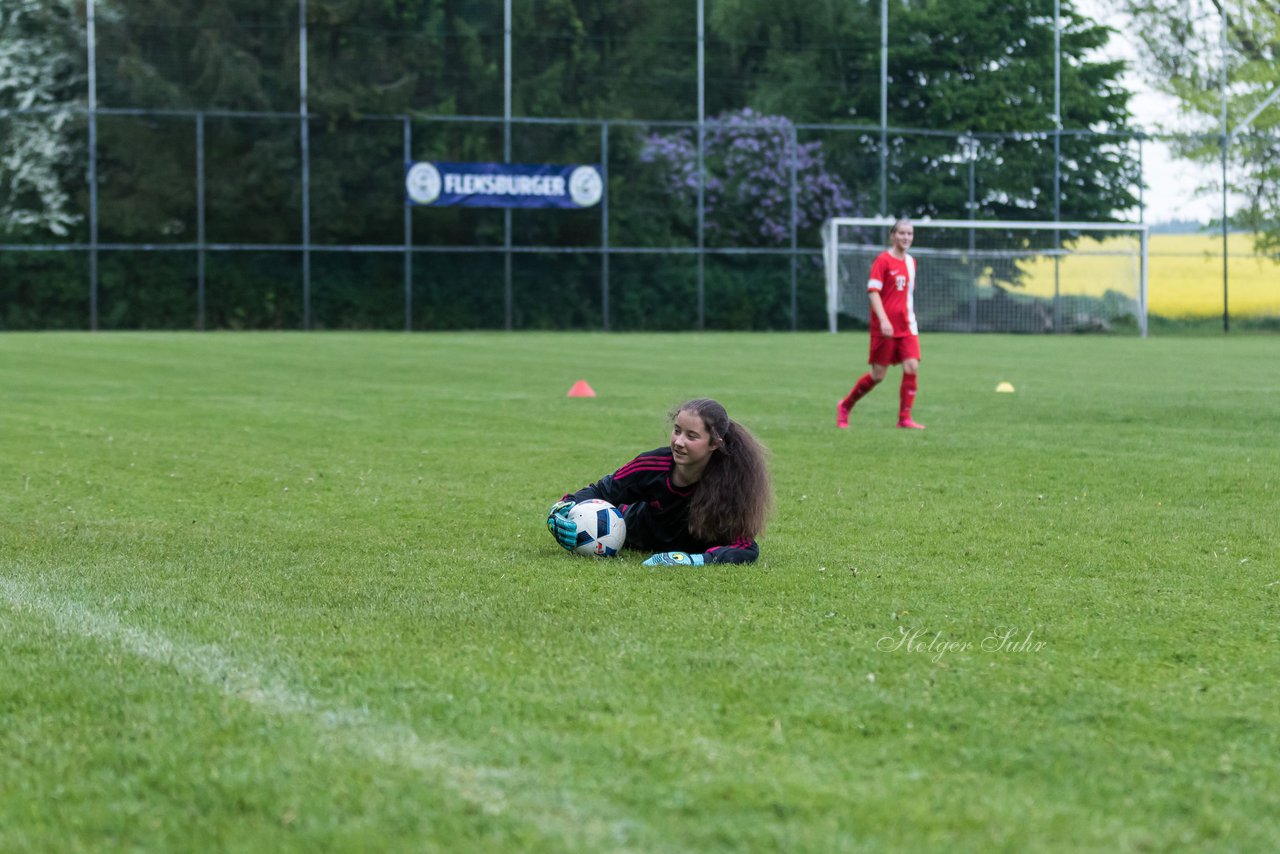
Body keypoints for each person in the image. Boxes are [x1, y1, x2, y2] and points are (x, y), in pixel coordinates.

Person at [547, 398, 772, 565]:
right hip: (632, 532)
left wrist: (695, 560)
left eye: (691, 436)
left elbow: (746, 547)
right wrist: (560, 510)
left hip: (689, 548)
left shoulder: (729, 484)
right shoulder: (653, 464)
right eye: (677, 431)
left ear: (714, 443)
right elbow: (602, 491)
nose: (679, 442)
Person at [837, 217, 925, 430]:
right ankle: (845, 406)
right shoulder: (882, 261)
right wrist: (884, 320)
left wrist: (907, 318)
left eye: (910, 234)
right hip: (884, 327)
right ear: (893, 236)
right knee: (878, 375)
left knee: (912, 366)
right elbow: (874, 292)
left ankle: (904, 418)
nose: (906, 237)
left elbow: (906, 296)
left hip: (906, 325)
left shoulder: (911, 262)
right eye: (902, 233)